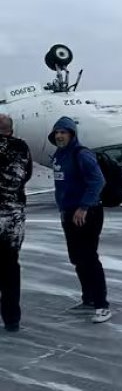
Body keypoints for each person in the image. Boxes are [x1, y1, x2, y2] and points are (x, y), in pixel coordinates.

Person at [49, 117, 111, 323]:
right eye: (57, 132)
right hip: (69, 212)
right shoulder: (59, 155)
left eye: (64, 132)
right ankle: (89, 299)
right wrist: (64, 209)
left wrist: (83, 207)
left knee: (89, 257)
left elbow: (98, 181)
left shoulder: (82, 154)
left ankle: (102, 305)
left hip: (87, 213)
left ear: (72, 135)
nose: (59, 136)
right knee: (77, 258)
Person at [0, 114, 32, 332]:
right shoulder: (21, 147)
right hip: (13, 217)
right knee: (10, 267)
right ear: (11, 129)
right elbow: (26, 174)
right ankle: (12, 319)